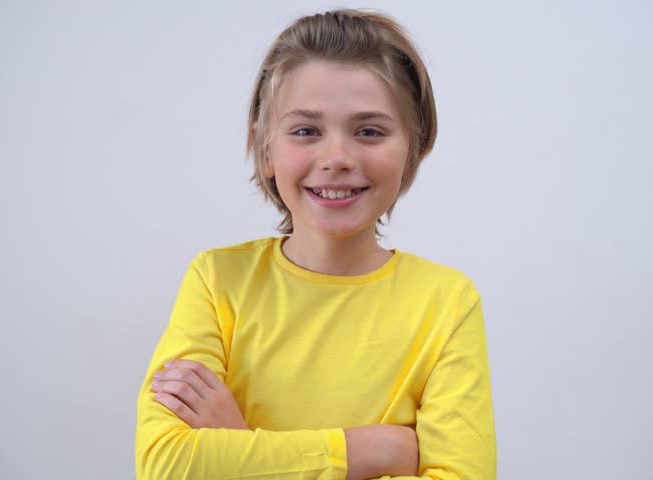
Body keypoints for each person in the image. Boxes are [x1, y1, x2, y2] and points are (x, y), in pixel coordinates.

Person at [135, 9, 496, 479]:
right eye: (306, 130)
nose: (337, 158)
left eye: (369, 131)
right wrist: (371, 452)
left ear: (413, 146)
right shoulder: (216, 281)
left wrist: (241, 448)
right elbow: (166, 467)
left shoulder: (446, 303)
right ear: (265, 147)